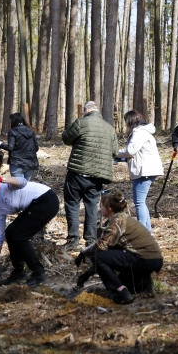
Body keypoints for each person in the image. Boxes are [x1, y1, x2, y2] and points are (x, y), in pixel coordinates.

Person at [0, 175, 60, 286]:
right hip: (34, 205)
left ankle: (39, 273)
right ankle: (19, 272)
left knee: (19, 237)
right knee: (10, 233)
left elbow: (22, 182)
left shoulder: (1, 188)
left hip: (46, 201)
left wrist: (3, 180)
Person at [75, 191, 164, 305]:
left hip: (144, 259)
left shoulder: (117, 221)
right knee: (128, 284)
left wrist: (83, 253)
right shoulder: (122, 218)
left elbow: (101, 246)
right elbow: (109, 252)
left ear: (109, 209)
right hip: (153, 260)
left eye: (101, 206)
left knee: (97, 256)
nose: (100, 208)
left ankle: (121, 292)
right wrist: (88, 273)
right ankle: (144, 284)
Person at [61, 101, 119, 249]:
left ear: (86, 110)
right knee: (92, 207)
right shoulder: (109, 128)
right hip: (97, 176)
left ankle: (73, 240)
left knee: (72, 205)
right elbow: (115, 151)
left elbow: (66, 138)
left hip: (77, 173)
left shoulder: (81, 122)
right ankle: (91, 240)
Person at [119, 110, 164, 231]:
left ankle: (142, 232)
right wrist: (120, 156)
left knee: (139, 203)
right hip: (146, 169)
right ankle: (147, 231)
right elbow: (135, 152)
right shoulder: (144, 132)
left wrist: (114, 152)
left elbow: (130, 151)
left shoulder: (139, 132)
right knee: (141, 202)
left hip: (144, 171)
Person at [0, 112, 39, 180]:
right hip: (30, 164)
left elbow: (10, 147)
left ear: (14, 121)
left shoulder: (12, 132)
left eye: (10, 121)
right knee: (26, 187)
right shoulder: (31, 131)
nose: (9, 123)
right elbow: (36, 148)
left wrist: (0, 144)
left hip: (17, 163)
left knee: (18, 188)